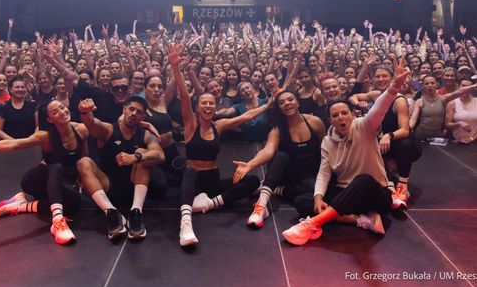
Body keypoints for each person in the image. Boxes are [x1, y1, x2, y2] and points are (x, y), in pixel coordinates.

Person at [282, 68, 411, 246]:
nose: (341, 118)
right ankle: (360, 220)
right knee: (302, 201)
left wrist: (393, 87)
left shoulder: (365, 126)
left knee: (363, 180)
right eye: (335, 115)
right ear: (330, 120)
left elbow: (379, 109)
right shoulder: (327, 141)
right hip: (346, 194)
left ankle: (313, 223)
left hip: (373, 195)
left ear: (352, 114)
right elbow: (324, 173)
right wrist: (318, 196)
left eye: (344, 113)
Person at [168, 42, 270, 247]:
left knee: (252, 181)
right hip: (194, 180)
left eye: (211, 103)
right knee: (189, 171)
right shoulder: (191, 124)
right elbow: (184, 95)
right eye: (203, 103)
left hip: (212, 181)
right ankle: (185, 223)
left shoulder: (220, 125)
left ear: (215, 107)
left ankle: (212, 203)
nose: (207, 106)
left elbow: (247, 115)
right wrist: (176, 67)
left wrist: (269, 104)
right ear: (198, 108)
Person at [0, 99, 89, 245]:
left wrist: (82, 179)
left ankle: (21, 206)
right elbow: (14, 144)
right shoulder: (45, 136)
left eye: (62, 107)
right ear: (49, 119)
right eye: (55, 112)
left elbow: (83, 158)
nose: (62, 112)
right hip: (35, 182)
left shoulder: (81, 130)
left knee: (73, 202)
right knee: (56, 167)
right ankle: (57, 222)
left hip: (53, 185)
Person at [233, 90, 325, 228]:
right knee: (281, 156)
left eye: (290, 99)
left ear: (298, 102)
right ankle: (261, 205)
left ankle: (277, 190)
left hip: (308, 174)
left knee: (316, 192)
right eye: (282, 102)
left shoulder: (315, 122)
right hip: (286, 173)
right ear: (280, 108)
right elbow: (268, 150)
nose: (287, 103)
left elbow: (325, 150)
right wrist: (250, 164)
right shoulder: (278, 130)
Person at [76, 96, 164, 241]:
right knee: (83, 162)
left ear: (143, 116)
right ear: (124, 110)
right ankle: (111, 213)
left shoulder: (146, 135)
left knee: (143, 153)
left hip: (134, 187)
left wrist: (135, 157)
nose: (134, 113)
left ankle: (136, 213)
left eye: (139, 112)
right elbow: (92, 123)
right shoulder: (108, 129)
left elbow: (160, 155)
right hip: (108, 187)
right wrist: (84, 112)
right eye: (131, 109)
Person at [349, 63, 421, 209]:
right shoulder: (375, 94)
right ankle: (390, 186)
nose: (380, 79)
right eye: (377, 76)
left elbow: (405, 130)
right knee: (370, 144)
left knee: (403, 143)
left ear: (392, 78)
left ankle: (403, 186)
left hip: (405, 145)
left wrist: (389, 135)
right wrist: (358, 103)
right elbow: (352, 97)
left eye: (384, 76)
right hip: (384, 143)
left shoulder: (399, 100)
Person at [410, 74, 477, 140]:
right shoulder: (419, 101)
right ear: (423, 86)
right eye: (427, 84)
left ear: (437, 85)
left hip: (437, 137)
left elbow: (459, 92)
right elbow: (413, 120)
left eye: (432, 83)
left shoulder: (443, 99)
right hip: (420, 136)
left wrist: (474, 86)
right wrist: (408, 129)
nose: (430, 85)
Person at [445, 78, 477, 143]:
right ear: (458, 87)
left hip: (475, 141)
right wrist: (459, 123)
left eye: (469, 86)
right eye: (463, 86)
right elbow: (447, 125)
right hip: (457, 141)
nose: (466, 89)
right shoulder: (452, 103)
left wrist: (471, 139)